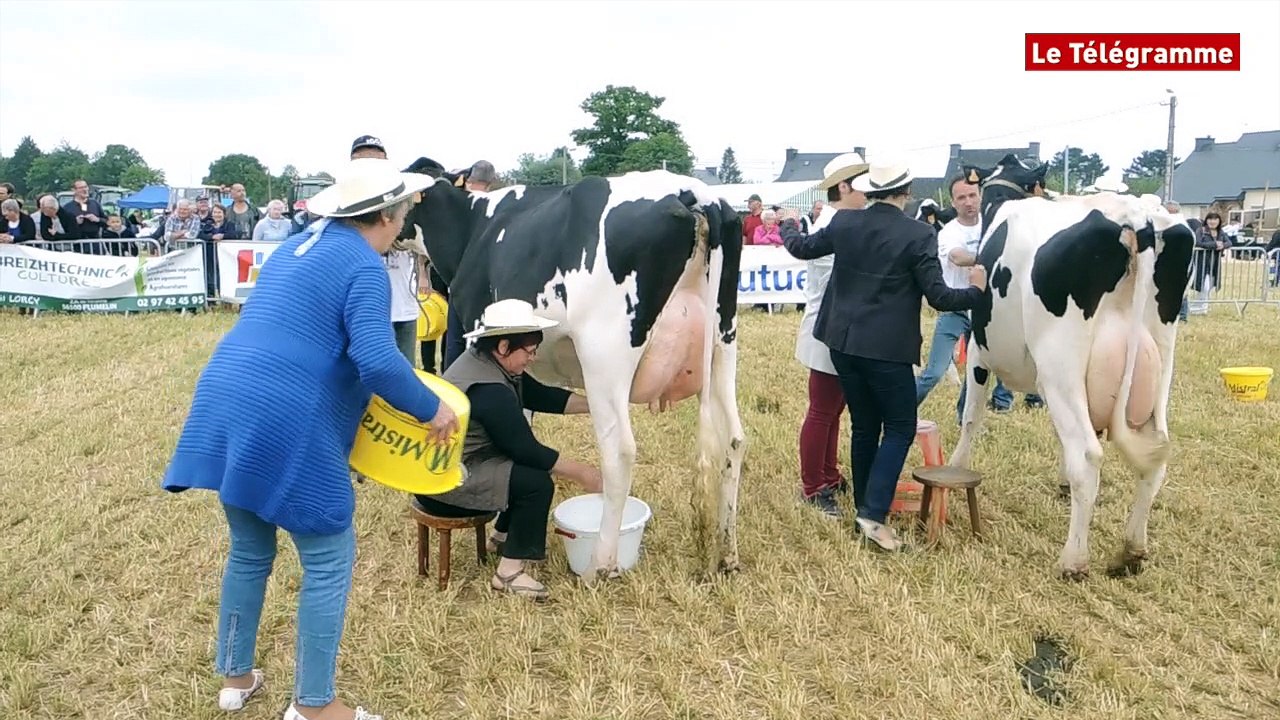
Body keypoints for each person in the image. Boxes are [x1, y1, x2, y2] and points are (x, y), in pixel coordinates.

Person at [160, 158, 458, 720]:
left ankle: (236, 677)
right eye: (402, 215)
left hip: (225, 395)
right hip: (283, 413)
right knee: (327, 558)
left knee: (249, 551)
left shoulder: (297, 250)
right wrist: (431, 408)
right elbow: (377, 361)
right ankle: (316, 707)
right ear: (388, 217)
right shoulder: (364, 266)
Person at [780, 162, 987, 552]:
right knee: (898, 428)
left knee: (863, 426)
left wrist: (788, 225)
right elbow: (940, 297)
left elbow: (801, 247)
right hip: (888, 350)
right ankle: (873, 516)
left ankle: (865, 505)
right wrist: (976, 290)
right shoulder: (919, 233)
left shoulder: (844, 223)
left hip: (841, 342)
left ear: (870, 190)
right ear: (905, 191)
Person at [413, 298, 603, 601]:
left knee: (518, 469)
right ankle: (509, 573)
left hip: (445, 470)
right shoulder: (489, 390)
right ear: (503, 346)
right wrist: (583, 473)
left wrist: (599, 404)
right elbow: (527, 451)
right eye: (529, 351)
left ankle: (501, 537)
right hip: (446, 484)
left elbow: (541, 396)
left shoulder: (483, 361)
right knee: (536, 483)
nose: (532, 358)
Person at [793, 152, 868, 517]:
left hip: (838, 328)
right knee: (822, 410)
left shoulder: (839, 220)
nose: (869, 193)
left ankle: (828, 473)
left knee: (834, 409)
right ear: (845, 187)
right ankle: (812, 486)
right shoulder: (835, 225)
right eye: (863, 185)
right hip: (827, 329)